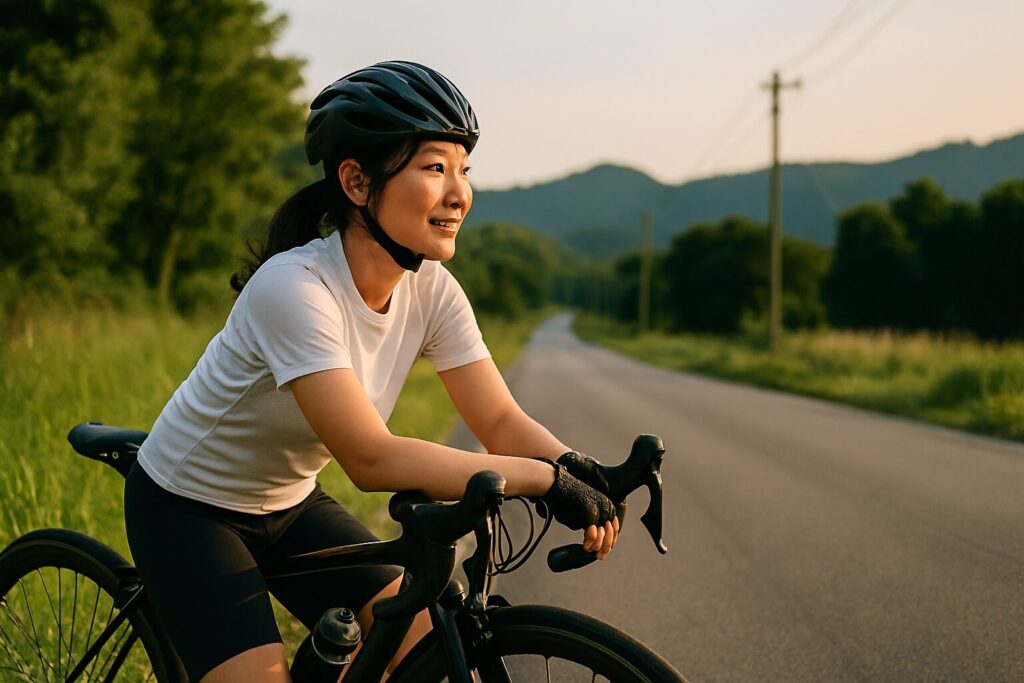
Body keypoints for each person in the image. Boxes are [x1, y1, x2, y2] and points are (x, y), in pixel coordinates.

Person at [123, 60, 620, 683]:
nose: (459, 192)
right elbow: (369, 459)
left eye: (464, 170)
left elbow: (496, 417)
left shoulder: (432, 289)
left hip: (291, 503)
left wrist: (578, 470)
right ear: (357, 182)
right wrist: (540, 481)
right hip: (189, 508)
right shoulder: (294, 288)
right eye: (435, 167)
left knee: (416, 646)